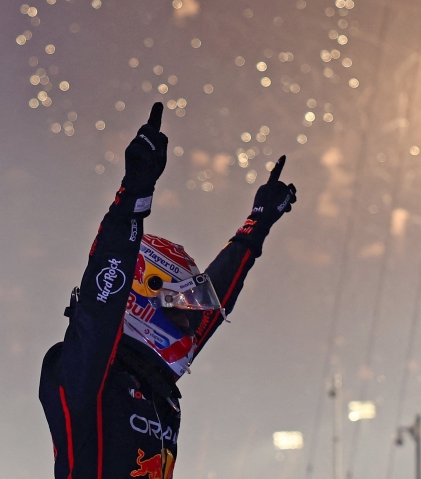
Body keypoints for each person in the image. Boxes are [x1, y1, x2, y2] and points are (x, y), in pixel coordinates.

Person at [39, 103, 297, 479]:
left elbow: (213, 307)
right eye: (180, 310)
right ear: (139, 297)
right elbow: (100, 307)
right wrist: (134, 194)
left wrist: (256, 226)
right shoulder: (87, 372)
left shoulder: (153, 381)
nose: (191, 326)